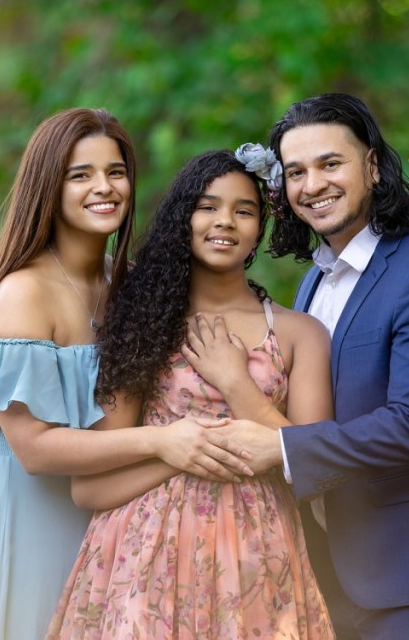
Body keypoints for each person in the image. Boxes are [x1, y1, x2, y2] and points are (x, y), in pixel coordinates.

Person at [190, 94, 409, 639]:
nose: (312, 185)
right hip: (342, 570)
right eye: (296, 172)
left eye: (330, 164)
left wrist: (283, 448)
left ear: (374, 167)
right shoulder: (317, 279)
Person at [0, 109, 252, 640]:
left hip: (117, 523)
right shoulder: (24, 293)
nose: (104, 187)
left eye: (116, 171)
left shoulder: (124, 284)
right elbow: (36, 451)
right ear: (48, 186)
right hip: (27, 523)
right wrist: (163, 442)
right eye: (80, 174)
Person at [46, 148, 337, 640]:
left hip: (255, 562)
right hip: (140, 565)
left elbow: (316, 467)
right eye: (207, 206)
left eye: (244, 210)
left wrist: (236, 383)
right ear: (183, 217)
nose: (225, 221)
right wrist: (180, 449)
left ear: (260, 229)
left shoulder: (300, 333)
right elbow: (88, 488)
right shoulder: (140, 322)